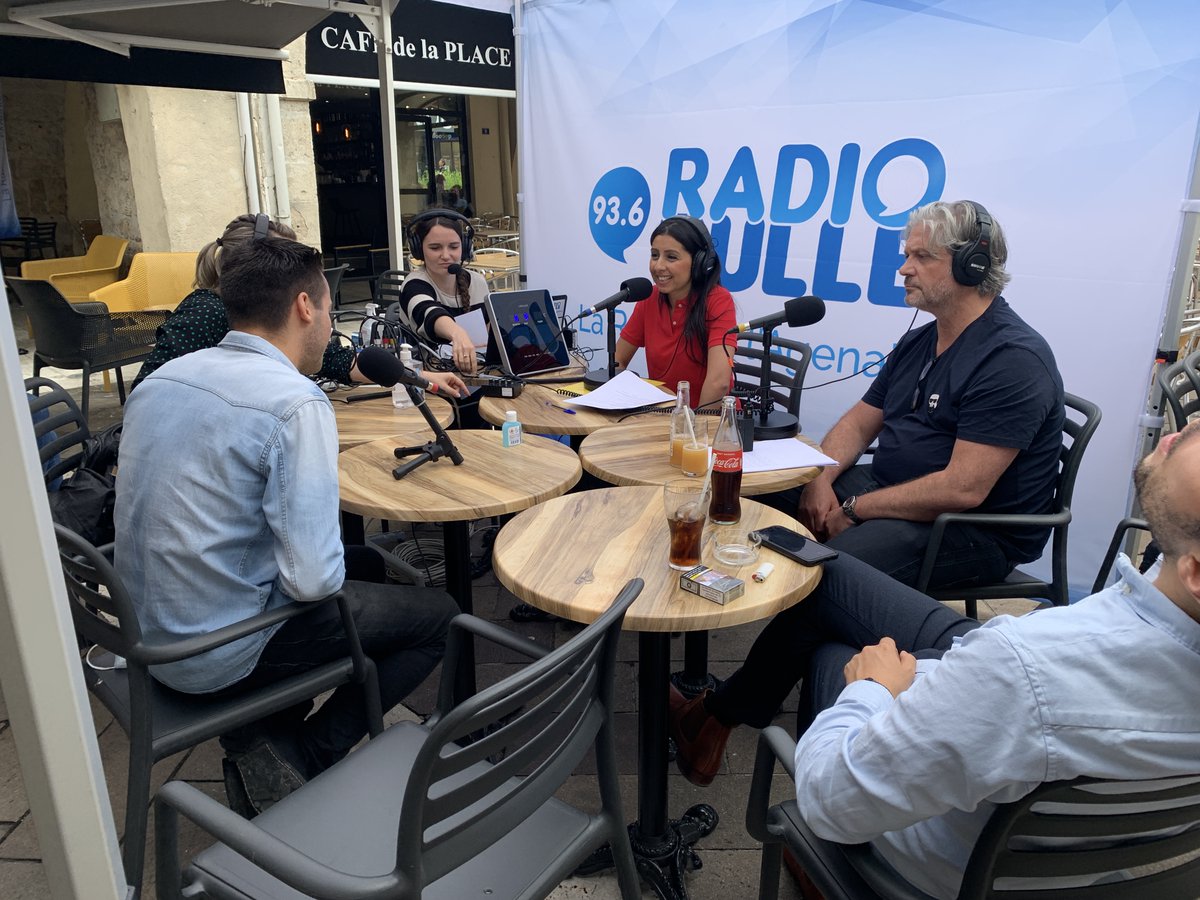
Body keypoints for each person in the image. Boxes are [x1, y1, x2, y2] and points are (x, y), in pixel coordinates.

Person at [671, 421, 1200, 898]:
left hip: (941, 865)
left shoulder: (1021, 669)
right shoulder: (1152, 605)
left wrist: (872, 689)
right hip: (1006, 701)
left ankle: (813, 856)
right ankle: (714, 716)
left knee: (836, 650)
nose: (1191, 425)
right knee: (829, 576)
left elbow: (833, 802)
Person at [115, 235, 458, 816]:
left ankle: (264, 734)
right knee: (440, 618)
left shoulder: (162, 379)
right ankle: (307, 755)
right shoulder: (293, 402)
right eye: (329, 308)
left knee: (367, 562)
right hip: (213, 653)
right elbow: (314, 582)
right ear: (305, 306)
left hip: (144, 631)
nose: (330, 325)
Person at [797, 200, 1064, 589]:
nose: (904, 269)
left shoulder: (1013, 359)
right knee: (773, 497)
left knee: (825, 574)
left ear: (972, 266)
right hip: (889, 491)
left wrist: (854, 510)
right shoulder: (918, 341)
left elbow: (962, 489)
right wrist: (820, 478)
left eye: (922, 257)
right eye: (907, 255)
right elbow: (857, 424)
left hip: (971, 528)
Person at [129, 213, 466, 397]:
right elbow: (149, 392)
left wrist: (419, 377)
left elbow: (340, 361)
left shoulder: (279, 313)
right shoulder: (207, 309)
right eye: (285, 258)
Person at [614, 216, 737, 410]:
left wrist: (693, 426)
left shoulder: (718, 301)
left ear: (699, 262)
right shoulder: (649, 297)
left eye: (671, 257)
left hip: (708, 422)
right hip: (660, 417)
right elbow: (617, 361)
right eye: (655, 255)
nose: (658, 266)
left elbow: (718, 383)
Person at [396, 208, 489, 376]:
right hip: (429, 381)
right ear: (419, 250)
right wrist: (457, 333)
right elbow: (429, 313)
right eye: (435, 248)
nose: (446, 255)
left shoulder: (477, 282)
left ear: (465, 248)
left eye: (453, 247)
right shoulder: (413, 284)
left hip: (479, 374)